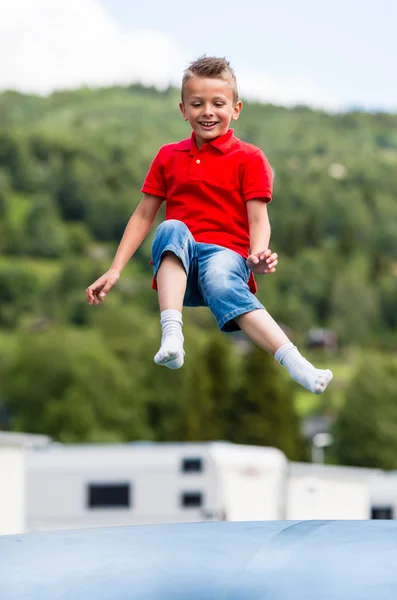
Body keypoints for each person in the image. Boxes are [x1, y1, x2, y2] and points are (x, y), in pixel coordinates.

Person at [85, 56, 332, 395]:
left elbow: (258, 218)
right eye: (197, 104)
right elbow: (143, 215)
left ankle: (297, 364)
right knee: (171, 228)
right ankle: (172, 335)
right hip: (179, 268)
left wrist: (257, 254)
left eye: (218, 103)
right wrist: (115, 270)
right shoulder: (168, 156)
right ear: (183, 109)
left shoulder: (249, 158)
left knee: (218, 274)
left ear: (236, 108)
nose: (208, 111)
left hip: (225, 262)